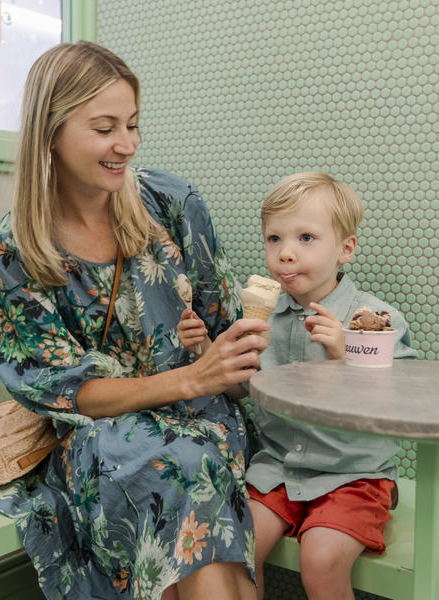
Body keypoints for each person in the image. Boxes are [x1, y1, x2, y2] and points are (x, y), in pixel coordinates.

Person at [0, 41, 268, 600]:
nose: (126, 145)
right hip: (102, 437)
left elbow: (226, 336)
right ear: (51, 130)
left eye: (133, 125)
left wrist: (230, 362)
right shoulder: (15, 250)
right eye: (105, 128)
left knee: (195, 464)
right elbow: (63, 390)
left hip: (208, 420)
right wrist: (189, 377)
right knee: (183, 473)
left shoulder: (174, 204)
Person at [178, 172, 417, 600]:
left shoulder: (376, 322)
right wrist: (207, 353)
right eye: (274, 239)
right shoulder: (259, 319)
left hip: (354, 474)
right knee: (237, 547)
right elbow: (244, 390)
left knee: (321, 560)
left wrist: (349, 350)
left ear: (346, 248)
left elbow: (402, 400)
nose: (285, 253)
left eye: (306, 238)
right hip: (279, 469)